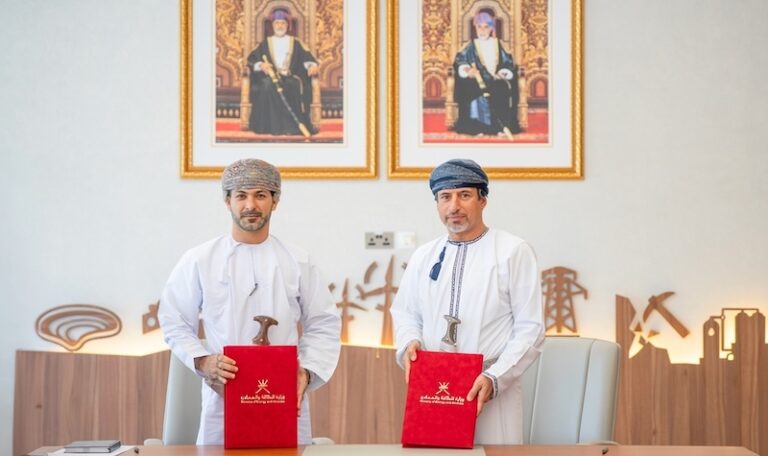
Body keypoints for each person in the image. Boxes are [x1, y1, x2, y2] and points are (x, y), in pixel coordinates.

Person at [158, 158, 341, 445]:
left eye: (261, 195)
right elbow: (174, 320)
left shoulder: (298, 260)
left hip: (283, 392)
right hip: (224, 391)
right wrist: (204, 361)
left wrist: (305, 373)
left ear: (275, 201)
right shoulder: (200, 260)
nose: (250, 205)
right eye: (241, 196)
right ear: (227, 201)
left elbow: (324, 323)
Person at [390, 158, 544, 444]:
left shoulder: (513, 251)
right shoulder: (424, 255)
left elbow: (530, 329)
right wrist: (410, 341)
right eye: (445, 197)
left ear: (482, 200)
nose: (454, 207)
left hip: (491, 385)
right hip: (435, 387)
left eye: (464, 195)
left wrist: (495, 378)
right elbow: (406, 313)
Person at [246, 9, 319, 136]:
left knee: (293, 85)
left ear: (287, 25)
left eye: (283, 23)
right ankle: (271, 127)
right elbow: (251, 60)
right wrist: (261, 65)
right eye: (277, 23)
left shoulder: (295, 42)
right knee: (267, 86)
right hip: (271, 78)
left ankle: (292, 127)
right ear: (273, 25)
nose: (280, 26)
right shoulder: (265, 43)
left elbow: (307, 58)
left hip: (291, 77)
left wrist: (312, 66)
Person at [452, 12, 521, 136]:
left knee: (502, 88)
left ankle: (500, 127)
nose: (482, 30)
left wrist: (503, 73)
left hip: (496, 80)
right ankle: (477, 127)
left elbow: (508, 63)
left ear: (491, 28)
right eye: (479, 27)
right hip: (476, 81)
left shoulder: (498, 44)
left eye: (486, 27)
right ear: (475, 28)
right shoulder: (470, 45)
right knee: (472, 90)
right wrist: (468, 70)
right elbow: (460, 61)